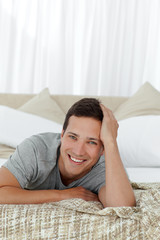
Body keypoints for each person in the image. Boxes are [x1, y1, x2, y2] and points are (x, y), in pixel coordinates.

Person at [0, 98, 136, 207]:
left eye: (92, 142)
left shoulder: (107, 167)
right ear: (62, 135)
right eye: (73, 137)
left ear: (103, 149)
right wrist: (63, 195)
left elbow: (122, 207)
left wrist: (111, 142)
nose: (78, 151)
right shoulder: (36, 150)